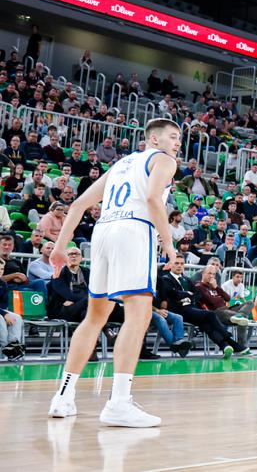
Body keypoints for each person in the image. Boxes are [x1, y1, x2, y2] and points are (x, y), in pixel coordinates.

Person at [47, 118, 181, 428]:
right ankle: (119, 402)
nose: (177, 143)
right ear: (155, 140)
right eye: (172, 137)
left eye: (178, 139)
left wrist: (59, 247)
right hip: (134, 230)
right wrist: (170, 244)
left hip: (104, 233)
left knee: (95, 317)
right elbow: (151, 199)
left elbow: (79, 203)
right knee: (139, 314)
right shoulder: (163, 160)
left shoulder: (122, 165)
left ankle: (63, 397)